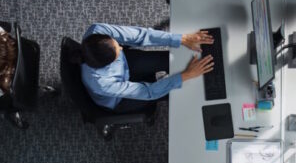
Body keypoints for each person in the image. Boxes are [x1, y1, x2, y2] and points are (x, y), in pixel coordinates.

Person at [78, 24, 214, 112]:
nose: (121, 47)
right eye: (117, 51)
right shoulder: (100, 83)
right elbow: (148, 92)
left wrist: (182, 39)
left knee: (172, 60)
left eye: (116, 44)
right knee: (180, 89)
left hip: (126, 64)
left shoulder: (97, 31)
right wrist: (187, 75)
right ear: (107, 64)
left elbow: (141, 35)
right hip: (119, 99)